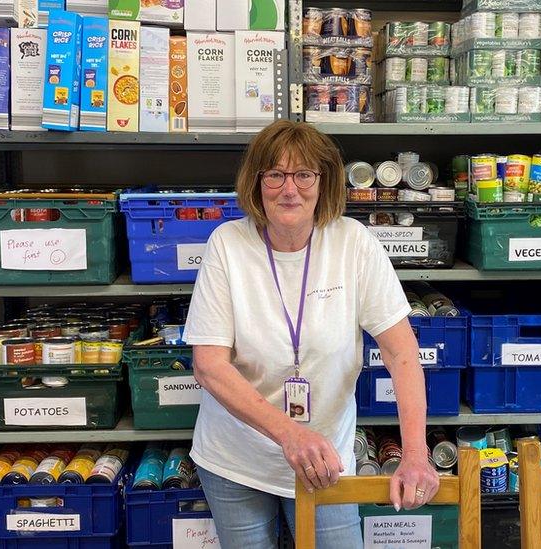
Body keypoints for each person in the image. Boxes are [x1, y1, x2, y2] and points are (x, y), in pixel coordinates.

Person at [183, 120, 438, 548]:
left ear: (324, 182)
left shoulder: (353, 243)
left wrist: (416, 454)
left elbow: (402, 355)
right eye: (275, 174)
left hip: (327, 462)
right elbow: (209, 366)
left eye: (304, 174)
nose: (289, 189)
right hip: (236, 458)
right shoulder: (227, 244)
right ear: (257, 181)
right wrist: (291, 434)